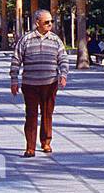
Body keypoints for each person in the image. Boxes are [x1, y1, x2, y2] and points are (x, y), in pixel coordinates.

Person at [10, 9, 68, 157]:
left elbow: (63, 59)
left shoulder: (56, 40)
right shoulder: (26, 39)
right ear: (37, 23)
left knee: (47, 113)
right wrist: (14, 80)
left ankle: (46, 142)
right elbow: (16, 60)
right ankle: (30, 147)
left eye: (51, 22)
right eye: (46, 22)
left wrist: (63, 75)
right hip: (30, 84)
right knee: (31, 114)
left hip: (50, 83)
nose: (50, 24)